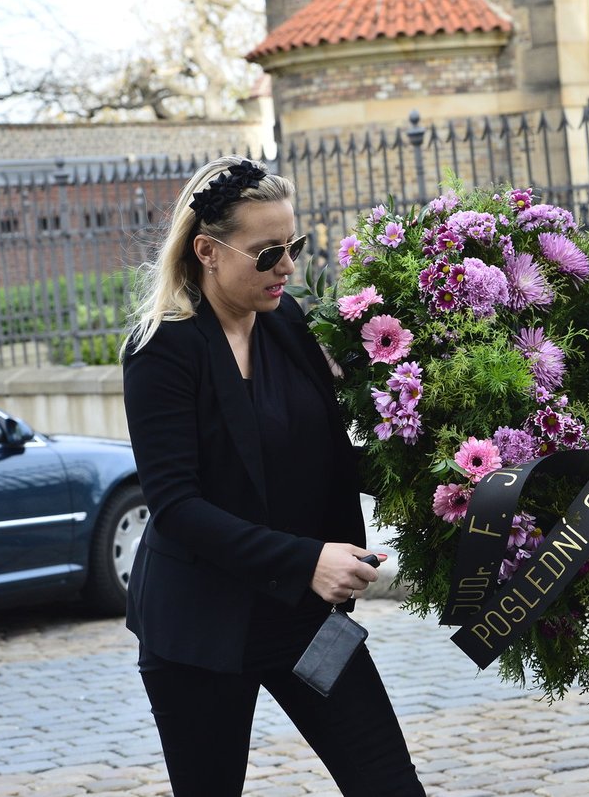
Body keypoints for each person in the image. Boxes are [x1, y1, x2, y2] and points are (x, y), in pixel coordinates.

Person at [119, 155, 426, 797]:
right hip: (202, 628)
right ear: (207, 250)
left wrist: (440, 480)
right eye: (267, 252)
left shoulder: (286, 322)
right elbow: (177, 505)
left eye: (295, 246)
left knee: (390, 787)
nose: (287, 266)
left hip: (303, 616)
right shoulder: (161, 351)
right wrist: (308, 559)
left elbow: (328, 455)